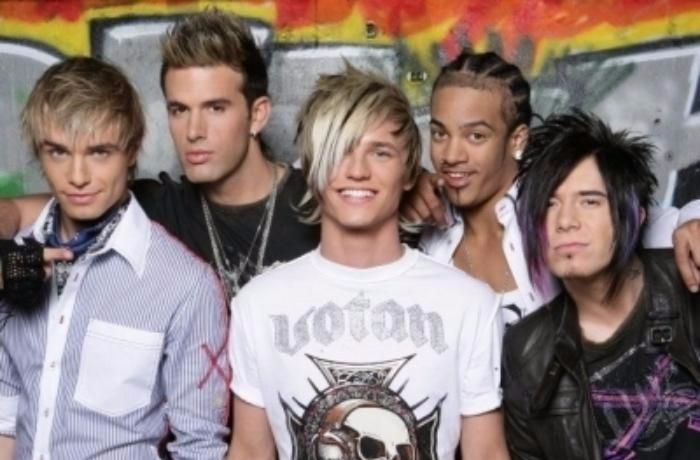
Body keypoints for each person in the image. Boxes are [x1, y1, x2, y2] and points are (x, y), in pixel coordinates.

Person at [227, 66, 508, 460]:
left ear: (409, 171)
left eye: (380, 152)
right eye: (339, 150)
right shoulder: (257, 306)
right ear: (311, 167)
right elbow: (249, 452)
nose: (357, 171)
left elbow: (487, 453)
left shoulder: (471, 304)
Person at [0, 9, 319, 302]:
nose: (193, 131)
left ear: (257, 115)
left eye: (215, 108)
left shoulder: (318, 203)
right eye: (179, 110)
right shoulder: (155, 208)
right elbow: (15, 210)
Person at [0, 57, 229, 459]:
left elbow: (200, 448)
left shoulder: (185, 285)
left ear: (132, 150)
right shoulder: (14, 262)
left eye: (99, 152)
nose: (78, 176)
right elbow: (5, 418)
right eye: (58, 152)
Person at [409, 49, 700, 327]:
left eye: (476, 136)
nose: (451, 155)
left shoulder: (556, 208)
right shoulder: (426, 227)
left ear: (517, 139)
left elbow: (664, 222)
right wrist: (405, 186)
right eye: (439, 134)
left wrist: (692, 219)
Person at [502, 110, 700, 459]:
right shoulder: (527, 351)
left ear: (635, 215)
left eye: (589, 201)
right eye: (549, 204)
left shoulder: (690, 283)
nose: (565, 221)